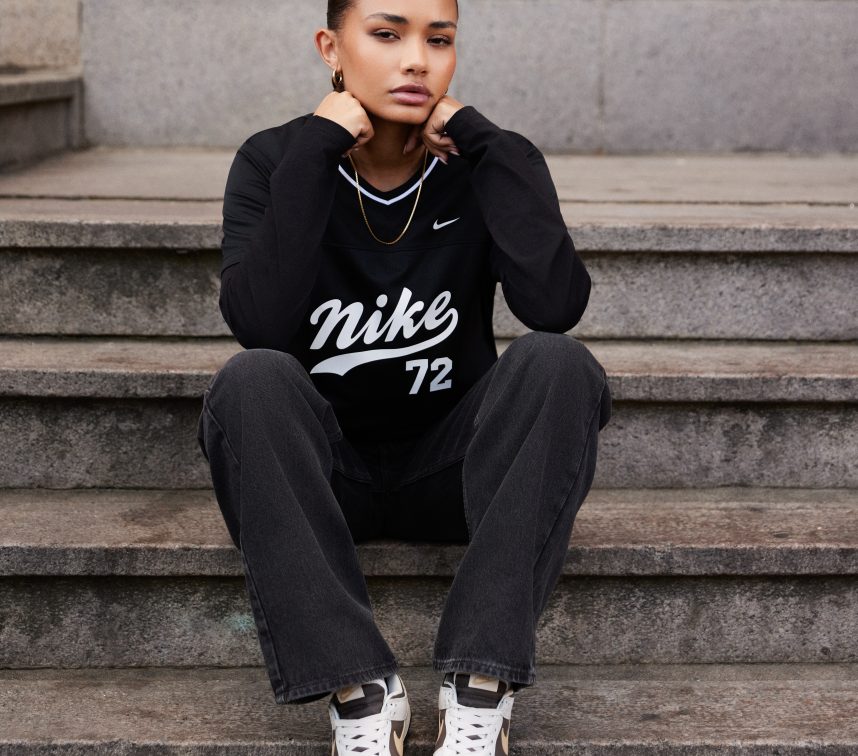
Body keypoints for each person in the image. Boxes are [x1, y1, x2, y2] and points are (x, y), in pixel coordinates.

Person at [196, 1, 612, 753]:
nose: (417, 59)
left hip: (456, 474)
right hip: (323, 479)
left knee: (560, 363)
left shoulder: (493, 160)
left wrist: (483, 143)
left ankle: (479, 681)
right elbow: (258, 320)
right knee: (249, 380)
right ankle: (359, 689)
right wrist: (318, 147)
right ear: (332, 48)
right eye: (387, 35)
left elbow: (555, 306)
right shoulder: (273, 159)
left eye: (439, 39)